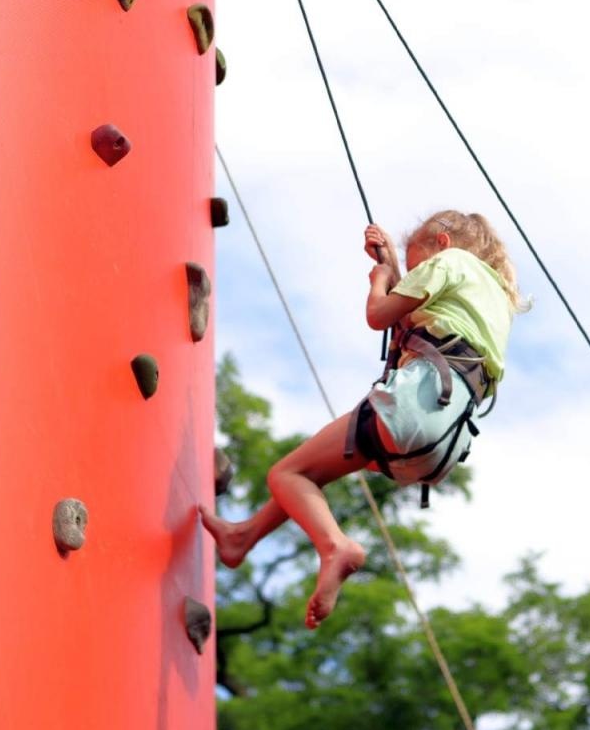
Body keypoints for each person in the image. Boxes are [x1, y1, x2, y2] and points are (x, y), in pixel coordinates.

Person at [198, 210, 529, 629]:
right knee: (311, 474)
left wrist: (379, 281)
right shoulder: (494, 296)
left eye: (417, 265)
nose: (414, 275)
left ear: (442, 244)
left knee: (288, 474)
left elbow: (380, 315)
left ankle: (335, 546)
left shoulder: (452, 262)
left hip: (417, 402)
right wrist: (392, 263)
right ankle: (243, 536)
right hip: (443, 439)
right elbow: (416, 325)